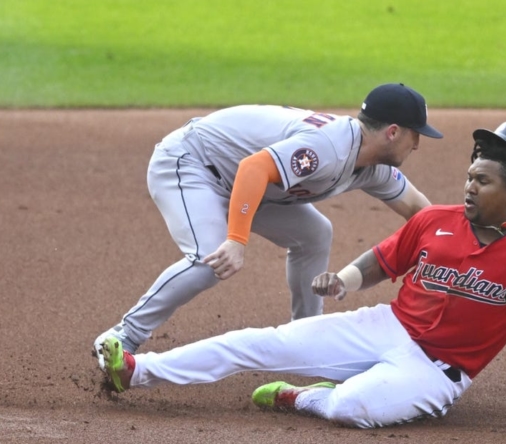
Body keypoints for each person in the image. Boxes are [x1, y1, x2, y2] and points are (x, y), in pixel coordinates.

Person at [99, 120, 506, 432]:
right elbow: (383, 258)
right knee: (261, 343)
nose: (468, 186)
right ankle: (137, 368)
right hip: (385, 327)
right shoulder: (436, 221)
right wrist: (345, 282)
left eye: (483, 181)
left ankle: (305, 399)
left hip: (437, 373)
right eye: (469, 175)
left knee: (353, 410)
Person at [92, 83, 444, 369]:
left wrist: (457, 245)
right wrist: (235, 239)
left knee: (314, 234)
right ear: (393, 132)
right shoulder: (327, 147)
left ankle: (305, 339)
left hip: (246, 185)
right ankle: (124, 334)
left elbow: (418, 209)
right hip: (194, 163)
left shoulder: (373, 164)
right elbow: (253, 169)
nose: (418, 144)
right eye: (416, 135)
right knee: (209, 259)